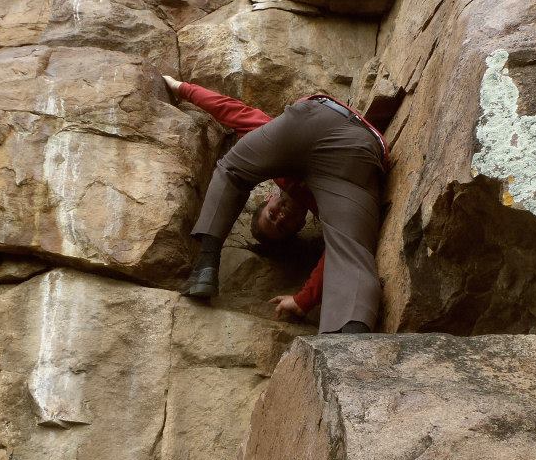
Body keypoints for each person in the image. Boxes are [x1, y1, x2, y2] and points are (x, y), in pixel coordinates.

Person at [163, 74, 387, 334]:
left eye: (271, 215)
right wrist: (303, 301)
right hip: (359, 147)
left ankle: (205, 263)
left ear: (270, 197)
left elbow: (232, 111)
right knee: (350, 249)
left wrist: (181, 88)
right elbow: (334, 256)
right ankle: (346, 344)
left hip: (314, 118)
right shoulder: (326, 210)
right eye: (282, 226)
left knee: (232, 167)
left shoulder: (278, 166)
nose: (280, 217)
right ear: (300, 225)